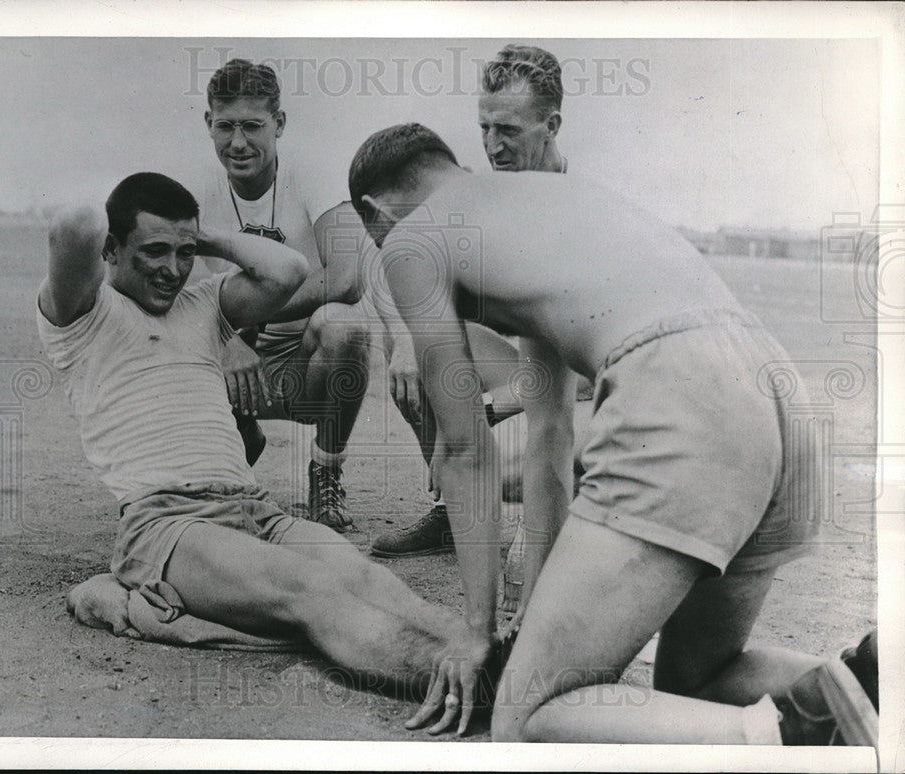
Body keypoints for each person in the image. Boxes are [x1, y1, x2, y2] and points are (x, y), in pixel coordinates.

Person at [347, 124, 878, 744]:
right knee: (700, 680)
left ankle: (796, 732)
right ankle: (867, 683)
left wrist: (474, 630)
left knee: (531, 718)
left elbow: (466, 450)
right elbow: (548, 437)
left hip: (682, 388)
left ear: (375, 211)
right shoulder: (538, 204)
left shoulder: (411, 238)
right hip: (776, 387)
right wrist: (538, 618)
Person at [38, 172, 466, 698]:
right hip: (169, 522)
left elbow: (289, 270)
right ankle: (455, 684)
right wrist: (149, 219)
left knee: (366, 578)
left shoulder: (204, 304)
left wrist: (202, 237)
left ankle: (487, 659)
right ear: (112, 248)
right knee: (307, 590)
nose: (173, 270)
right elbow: (74, 224)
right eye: (155, 251)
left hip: (256, 509)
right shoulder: (83, 317)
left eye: (184, 253)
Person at [371, 44, 579, 560]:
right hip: (527, 377)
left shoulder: (580, 212)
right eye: (485, 128)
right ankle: (453, 513)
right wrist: (410, 343)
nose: (492, 146)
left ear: (551, 124)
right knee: (418, 346)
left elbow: (591, 374)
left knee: (506, 467)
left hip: (586, 397)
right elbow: (411, 270)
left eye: (508, 131)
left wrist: (482, 410)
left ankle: (559, 526)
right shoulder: (493, 193)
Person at [197, 58, 371, 532]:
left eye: (253, 126)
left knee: (345, 326)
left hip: (303, 364)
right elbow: (163, 288)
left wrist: (246, 313)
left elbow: (347, 279)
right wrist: (226, 336)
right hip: (232, 357)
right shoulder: (192, 188)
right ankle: (234, 445)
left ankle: (326, 471)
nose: (238, 142)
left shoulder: (312, 172)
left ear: (280, 123)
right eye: (225, 126)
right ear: (208, 123)